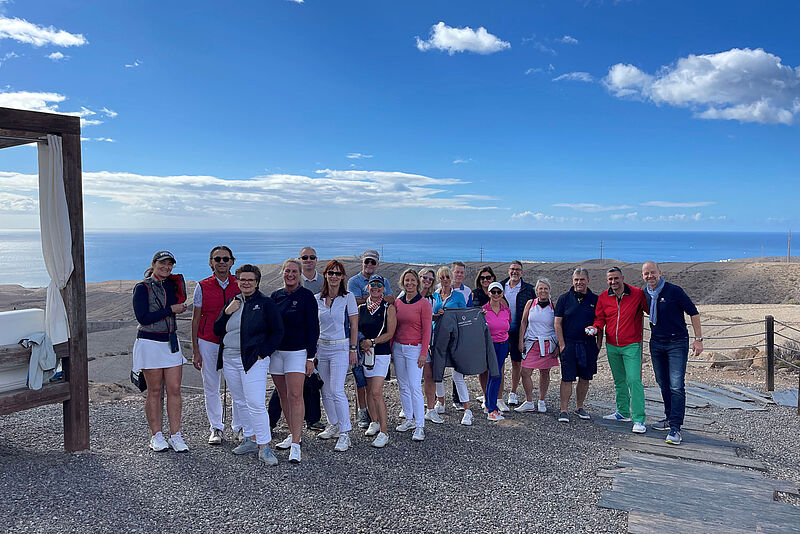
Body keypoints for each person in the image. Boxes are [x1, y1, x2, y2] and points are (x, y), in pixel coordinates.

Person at [213, 264, 284, 465]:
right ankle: (249, 438)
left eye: (250, 280)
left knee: (255, 402)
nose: (246, 283)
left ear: (257, 282)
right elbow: (217, 329)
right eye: (242, 279)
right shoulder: (232, 302)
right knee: (240, 401)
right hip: (230, 358)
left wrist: (263, 353)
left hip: (253, 359)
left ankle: (264, 445)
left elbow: (278, 331)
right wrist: (227, 312)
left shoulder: (265, 303)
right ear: (237, 281)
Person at [132, 251, 189, 453]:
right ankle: (156, 435)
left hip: (170, 342)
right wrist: (170, 309)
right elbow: (143, 318)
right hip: (150, 343)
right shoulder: (142, 287)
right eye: (162, 264)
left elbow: (181, 299)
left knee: (174, 389)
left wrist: (177, 287)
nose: (166, 267)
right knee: (154, 391)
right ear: (154, 264)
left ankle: (176, 435)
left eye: (170, 265)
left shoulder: (172, 285)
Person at [642, 261, 703, 446]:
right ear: (643, 276)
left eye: (653, 272)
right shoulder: (645, 293)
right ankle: (669, 418)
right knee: (663, 383)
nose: (650, 276)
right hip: (657, 343)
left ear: (660, 272)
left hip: (677, 343)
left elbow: (693, 313)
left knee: (676, 385)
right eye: (646, 274)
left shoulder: (674, 291)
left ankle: (675, 427)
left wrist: (698, 340)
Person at [191, 245, 243, 446]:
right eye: (217, 259)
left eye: (225, 259)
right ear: (210, 262)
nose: (221, 262)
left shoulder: (239, 285)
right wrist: (196, 350)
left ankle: (239, 427)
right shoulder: (202, 286)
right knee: (211, 386)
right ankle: (216, 428)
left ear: (232, 261)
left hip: (233, 343)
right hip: (208, 342)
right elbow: (196, 320)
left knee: (237, 387)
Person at [270, 258, 319, 463]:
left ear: (299, 275)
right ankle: (292, 433)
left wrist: (310, 358)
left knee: (295, 395)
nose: (290, 275)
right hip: (277, 353)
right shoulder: (275, 296)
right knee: (283, 395)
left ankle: (297, 444)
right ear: (282, 273)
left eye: (294, 272)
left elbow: (313, 329)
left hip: (297, 352)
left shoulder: (307, 296)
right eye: (287, 271)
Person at [590, 266, 647, 434]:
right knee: (619, 380)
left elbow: (650, 310)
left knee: (634, 380)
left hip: (632, 345)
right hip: (612, 345)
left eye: (616, 278)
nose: (613, 282)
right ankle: (622, 412)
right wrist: (595, 328)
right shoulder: (603, 297)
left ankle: (639, 419)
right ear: (607, 281)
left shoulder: (637, 293)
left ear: (622, 278)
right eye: (610, 279)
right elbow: (600, 318)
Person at [316, 259, 359, 452]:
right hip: (321, 348)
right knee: (324, 389)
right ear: (325, 275)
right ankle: (333, 424)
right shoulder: (316, 298)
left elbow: (354, 325)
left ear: (342, 277)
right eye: (330, 273)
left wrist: (352, 348)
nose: (334, 276)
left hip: (340, 348)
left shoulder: (348, 297)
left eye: (338, 273)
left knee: (336, 389)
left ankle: (345, 432)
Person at [347, 250, 393, 429]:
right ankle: (363, 413)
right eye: (367, 261)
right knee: (361, 380)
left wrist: (367, 298)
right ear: (362, 262)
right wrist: (374, 297)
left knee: (374, 388)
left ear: (377, 264)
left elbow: (389, 299)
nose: (369, 265)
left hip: (377, 346)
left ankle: (380, 425)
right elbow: (353, 303)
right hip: (360, 339)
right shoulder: (353, 281)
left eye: (373, 262)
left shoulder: (383, 282)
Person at [553, 268, 602, 423]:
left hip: (588, 345)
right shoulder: (564, 299)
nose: (579, 282)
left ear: (588, 280)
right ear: (572, 281)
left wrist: (598, 345)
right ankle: (564, 410)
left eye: (582, 279)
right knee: (567, 378)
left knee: (585, 377)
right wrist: (561, 344)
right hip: (569, 343)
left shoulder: (596, 299)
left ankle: (579, 407)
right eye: (576, 280)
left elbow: (600, 322)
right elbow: (557, 323)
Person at [393, 268, 433, 442]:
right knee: (403, 385)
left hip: (414, 349)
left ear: (417, 282)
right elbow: (394, 327)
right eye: (406, 280)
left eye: (412, 280)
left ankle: (419, 425)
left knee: (414, 386)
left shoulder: (423, 304)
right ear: (403, 282)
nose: (409, 283)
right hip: (398, 348)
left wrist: (423, 353)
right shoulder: (398, 302)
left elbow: (427, 331)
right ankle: (409, 418)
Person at [358, 274, 397, 447]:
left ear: (383, 288)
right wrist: (361, 343)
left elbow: (390, 333)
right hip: (366, 354)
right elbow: (357, 329)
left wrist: (372, 342)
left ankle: (384, 431)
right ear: (368, 287)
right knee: (367, 389)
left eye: (379, 285)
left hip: (380, 353)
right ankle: (373, 421)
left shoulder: (388, 308)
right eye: (372, 284)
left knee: (376, 391)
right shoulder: (361, 309)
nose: (375, 287)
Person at [431, 266, 473, 424]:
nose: (446, 280)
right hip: (437, 338)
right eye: (442, 277)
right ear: (439, 279)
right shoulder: (434, 296)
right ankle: (440, 402)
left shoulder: (459, 296)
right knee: (438, 372)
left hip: (455, 339)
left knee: (457, 374)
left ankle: (467, 409)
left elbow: (464, 316)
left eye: (448, 277)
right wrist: (437, 315)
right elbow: (430, 317)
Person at [516, 278, 560, 414]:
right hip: (531, 342)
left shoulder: (554, 306)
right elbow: (524, 322)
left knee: (545, 372)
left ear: (549, 290)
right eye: (540, 288)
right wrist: (520, 340)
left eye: (545, 288)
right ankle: (529, 401)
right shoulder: (530, 304)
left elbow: (558, 325)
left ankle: (541, 400)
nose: (543, 291)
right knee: (525, 372)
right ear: (536, 290)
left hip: (548, 344)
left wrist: (558, 345)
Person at [500, 261, 535, 406]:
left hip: (519, 332)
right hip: (501, 331)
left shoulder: (528, 289)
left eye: (518, 270)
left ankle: (513, 392)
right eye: (513, 269)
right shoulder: (500, 286)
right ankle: (498, 394)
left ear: (522, 272)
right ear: (508, 271)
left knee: (516, 363)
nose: (515, 272)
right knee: (499, 364)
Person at [482, 282, 511, 421]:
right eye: (493, 292)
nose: (496, 294)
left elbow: (507, 326)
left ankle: (490, 405)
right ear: (489, 293)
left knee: (495, 375)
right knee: (495, 375)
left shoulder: (506, 310)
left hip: (503, 345)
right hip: (490, 346)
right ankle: (492, 410)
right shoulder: (483, 311)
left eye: (498, 292)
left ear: (502, 294)